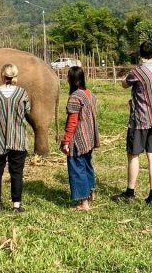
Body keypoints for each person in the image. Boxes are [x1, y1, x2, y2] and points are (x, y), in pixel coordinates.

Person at [115, 40, 152, 206]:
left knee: (133, 155)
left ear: (140, 54)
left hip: (139, 120)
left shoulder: (137, 72)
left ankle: (130, 192)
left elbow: (123, 84)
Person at [0, 64, 31, 213]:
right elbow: (27, 110)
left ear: (3, 75)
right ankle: (17, 205)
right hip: (18, 138)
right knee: (17, 173)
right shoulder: (22, 93)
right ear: (15, 76)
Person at [60, 66, 99, 210]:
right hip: (89, 137)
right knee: (87, 165)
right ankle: (91, 192)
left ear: (71, 79)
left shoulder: (75, 97)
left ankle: (84, 203)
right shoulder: (90, 94)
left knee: (77, 169)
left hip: (78, 139)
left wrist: (66, 141)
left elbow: (72, 122)